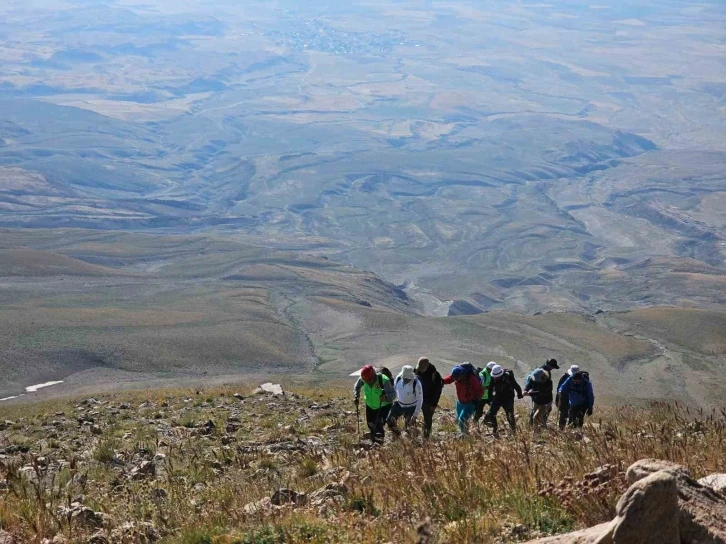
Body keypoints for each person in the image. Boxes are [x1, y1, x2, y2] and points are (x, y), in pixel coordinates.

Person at [353, 364, 396, 443]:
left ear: (373, 376)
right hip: (370, 406)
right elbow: (357, 386)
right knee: (370, 424)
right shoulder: (364, 378)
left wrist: (386, 397)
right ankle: (373, 441)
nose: (367, 383)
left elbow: (393, 394)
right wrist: (356, 394)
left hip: (383, 406)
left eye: (369, 381)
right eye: (365, 381)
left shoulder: (383, 380)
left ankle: (379, 445)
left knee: (378, 425)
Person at [442, 363, 484, 436]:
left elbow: (480, 390)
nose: (455, 380)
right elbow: (449, 379)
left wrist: (475, 400)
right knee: (459, 420)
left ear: (461, 375)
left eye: (456, 378)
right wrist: (441, 381)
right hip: (460, 402)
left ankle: (465, 435)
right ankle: (464, 432)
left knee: (462, 420)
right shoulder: (456, 375)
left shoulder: (471, 379)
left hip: (470, 403)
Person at [485, 364, 523, 436]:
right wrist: (490, 398)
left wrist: (519, 394)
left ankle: (513, 432)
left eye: (497, 377)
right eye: (494, 376)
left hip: (508, 399)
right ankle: (494, 429)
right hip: (498, 397)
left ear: (501, 374)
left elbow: (516, 385)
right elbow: (490, 387)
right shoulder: (493, 377)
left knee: (510, 415)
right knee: (491, 414)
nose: (495, 378)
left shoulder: (508, 377)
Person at [524, 358, 559, 431]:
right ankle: (534, 428)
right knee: (535, 414)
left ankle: (538, 431)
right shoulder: (537, 373)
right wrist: (525, 390)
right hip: (537, 399)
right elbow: (530, 383)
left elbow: (542, 392)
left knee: (537, 417)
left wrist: (530, 393)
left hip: (545, 401)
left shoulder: (548, 383)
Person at [387, 365, 423, 434]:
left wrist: (415, 415)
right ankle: (396, 435)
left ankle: (411, 441)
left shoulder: (416, 383)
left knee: (409, 427)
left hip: (411, 407)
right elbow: (394, 391)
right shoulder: (398, 379)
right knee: (389, 421)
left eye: (408, 378)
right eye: (404, 378)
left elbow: (420, 399)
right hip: (399, 405)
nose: (406, 380)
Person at [414, 357, 443, 438]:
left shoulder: (435, 375)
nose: (421, 369)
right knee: (412, 416)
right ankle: (412, 435)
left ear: (428, 366)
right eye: (420, 367)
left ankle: (426, 437)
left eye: (423, 368)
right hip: (417, 399)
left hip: (428, 401)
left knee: (427, 419)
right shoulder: (416, 370)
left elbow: (438, 391)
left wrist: (434, 404)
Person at [556, 365, 580, 429]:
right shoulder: (564, 377)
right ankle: (562, 428)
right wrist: (558, 398)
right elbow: (559, 389)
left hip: (573, 399)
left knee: (572, 415)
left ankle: (570, 429)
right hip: (565, 398)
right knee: (564, 413)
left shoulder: (579, 379)